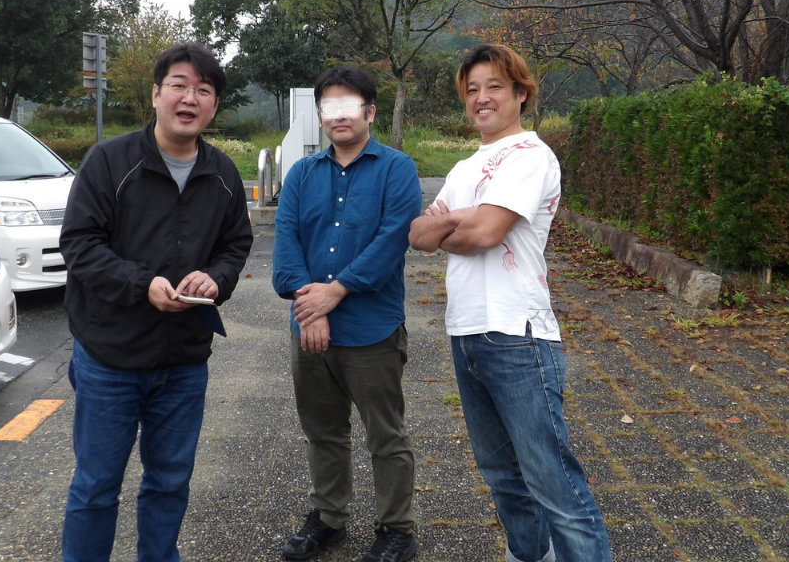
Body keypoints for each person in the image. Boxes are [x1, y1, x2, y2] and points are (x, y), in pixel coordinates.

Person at [408, 43, 612, 562]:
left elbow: (485, 234)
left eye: (494, 86)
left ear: (521, 93)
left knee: (553, 481)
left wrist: (456, 223)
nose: (482, 98)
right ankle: (528, 555)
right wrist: (467, 220)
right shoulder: (463, 167)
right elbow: (418, 235)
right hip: (466, 330)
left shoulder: (531, 156)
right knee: (501, 475)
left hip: (519, 333)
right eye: (472, 89)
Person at [59, 42, 253, 562]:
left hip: (184, 359)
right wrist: (142, 284)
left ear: (214, 105)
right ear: (155, 95)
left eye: (203, 90)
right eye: (179, 86)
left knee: (169, 481)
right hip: (110, 357)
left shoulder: (222, 172)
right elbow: (79, 244)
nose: (190, 98)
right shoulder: (109, 161)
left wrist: (216, 279)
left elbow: (235, 245)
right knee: (96, 485)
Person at [272, 66, 422, 562]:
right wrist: (310, 308)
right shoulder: (301, 174)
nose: (338, 116)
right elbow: (287, 243)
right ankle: (329, 517)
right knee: (323, 431)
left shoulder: (397, 169)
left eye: (349, 105)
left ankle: (397, 528)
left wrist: (336, 292)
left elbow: (392, 240)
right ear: (320, 116)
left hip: (371, 329)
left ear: (370, 112)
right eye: (329, 107)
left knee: (386, 435)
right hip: (309, 330)